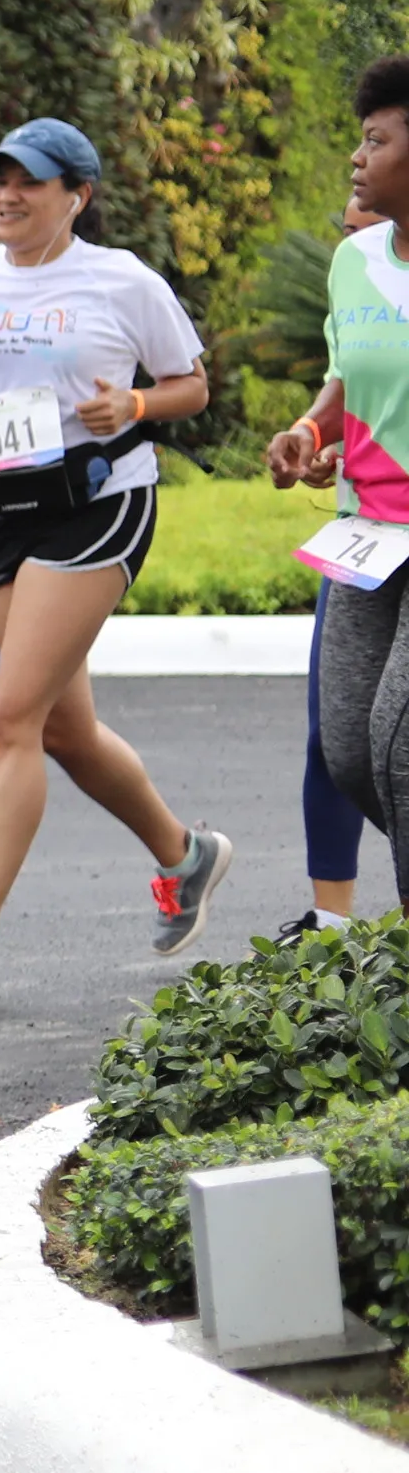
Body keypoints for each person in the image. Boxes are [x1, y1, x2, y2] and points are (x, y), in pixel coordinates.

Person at [0, 118, 229, 993]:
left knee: (11, 718)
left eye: (28, 182)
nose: (5, 195)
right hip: (0, 507)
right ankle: (184, 855)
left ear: (76, 196)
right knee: (63, 729)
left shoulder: (121, 281)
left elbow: (192, 384)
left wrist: (141, 409)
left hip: (97, 501)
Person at [276, 60, 409, 870]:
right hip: (367, 531)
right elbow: (346, 376)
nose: (356, 159)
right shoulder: (352, 264)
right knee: (350, 752)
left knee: (400, 747)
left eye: (375, 140)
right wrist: (310, 431)